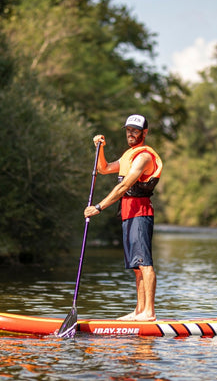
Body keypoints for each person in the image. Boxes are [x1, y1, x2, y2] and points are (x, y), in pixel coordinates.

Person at [84, 114, 163, 321]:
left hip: (140, 213)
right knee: (137, 266)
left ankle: (150, 312)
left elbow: (125, 186)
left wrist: (99, 207)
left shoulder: (144, 157)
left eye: (135, 130)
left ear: (144, 133)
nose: (130, 133)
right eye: (128, 130)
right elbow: (103, 169)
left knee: (145, 263)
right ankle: (139, 311)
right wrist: (99, 148)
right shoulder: (129, 155)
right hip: (128, 214)